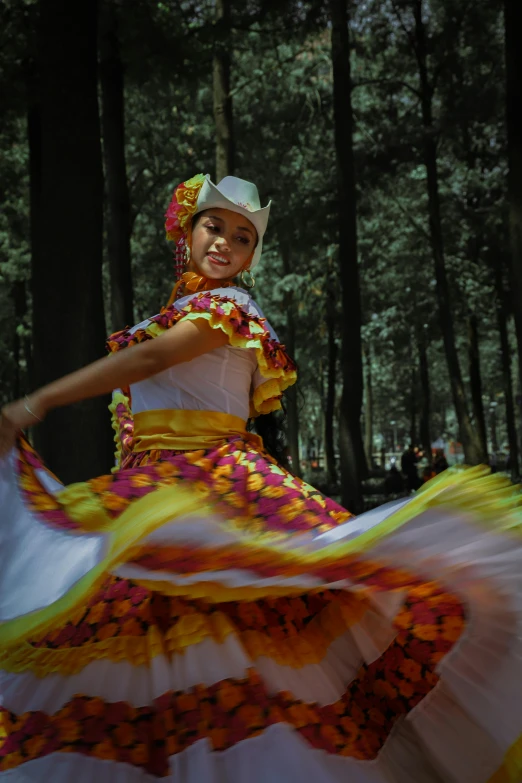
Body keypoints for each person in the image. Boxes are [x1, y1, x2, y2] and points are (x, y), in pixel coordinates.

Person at [1, 173, 521, 782]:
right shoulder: (176, 312)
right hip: (157, 490)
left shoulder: (230, 308)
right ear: (187, 231)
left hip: (214, 483)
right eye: (214, 226)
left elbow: (151, 359)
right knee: (148, 636)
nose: (225, 243)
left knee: (238, 628)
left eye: (242, 237)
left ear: (251, 255)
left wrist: (33, 404)